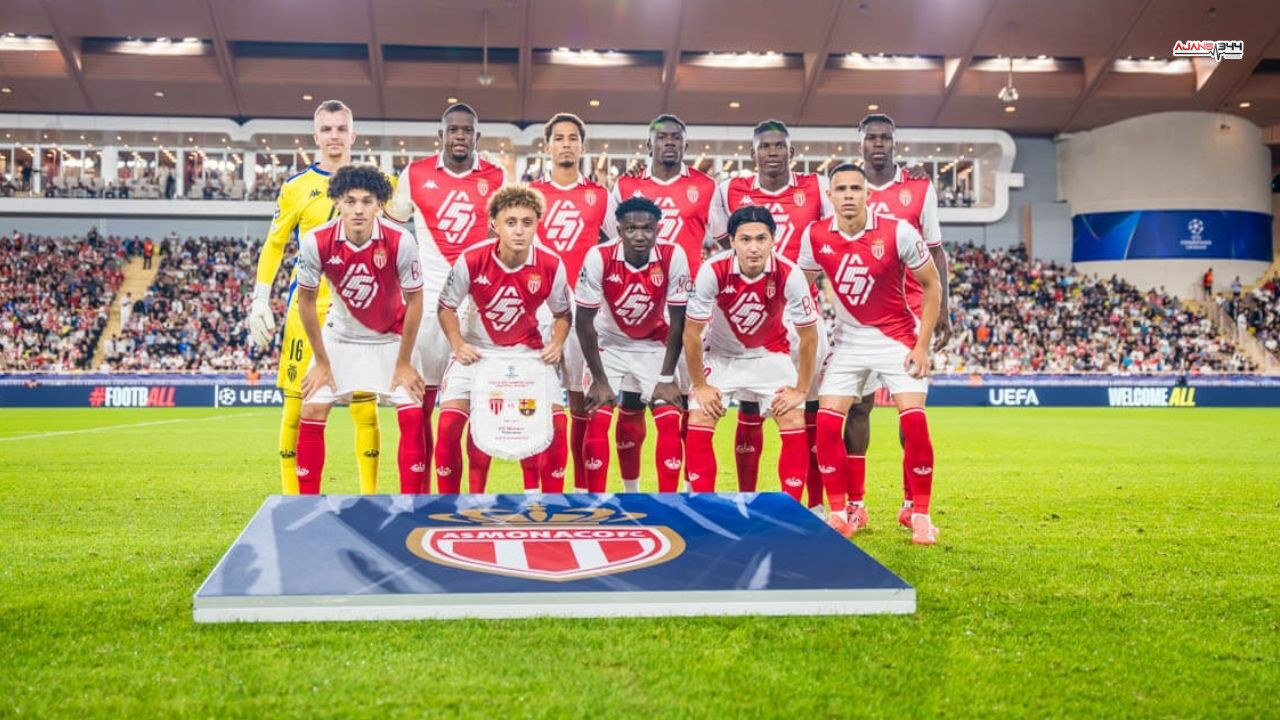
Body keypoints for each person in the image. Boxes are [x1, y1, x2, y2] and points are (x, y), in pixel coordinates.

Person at [247, 99, 388, 494]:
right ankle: (292, 499)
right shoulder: (296, 188)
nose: (334, 136)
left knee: (365, 409)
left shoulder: (376, 185)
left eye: (341, 128)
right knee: (296, 408)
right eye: (327, 129)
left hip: (360, 311)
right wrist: (260, 298)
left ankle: (369, 497)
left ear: (353, 135)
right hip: (307, 309)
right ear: (316, 136)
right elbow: (275, 244)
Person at [798, 163, 943, 544]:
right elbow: (799, 286)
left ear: (868, 194)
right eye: (840, 189)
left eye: (855, 188)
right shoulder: (814, 235)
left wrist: (922, 345)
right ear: (829, 196)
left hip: (897, 338)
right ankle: (840, 513)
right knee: (827, 423)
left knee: (914, 421)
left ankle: (920, 515)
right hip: (848, 341)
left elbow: (932, 285)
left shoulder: (899, 231)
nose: (848, 195)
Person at [708, 119, 833, 509]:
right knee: (749, 406)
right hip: (751, 317)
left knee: (808, 406)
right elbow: (724, 243)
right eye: (765, 146)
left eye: (780, 146)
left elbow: (831, 241)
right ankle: (747, 499)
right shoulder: (730, 189)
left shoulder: (817, 188)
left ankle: (813, 506)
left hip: (801, 314)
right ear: (753, 153)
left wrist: (795, 280)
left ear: (791, 152)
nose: (773, 152)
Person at [386, 102, 507, 493]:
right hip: (425, 305)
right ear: (441, 135)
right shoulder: (415, 173)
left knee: (472, 412)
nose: (460, 136)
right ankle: (417, 500)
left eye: (467, 130)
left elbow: (508, 235)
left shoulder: (497, 176)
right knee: (417, 410)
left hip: (476, 307)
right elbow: (391, 227)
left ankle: (471, 501)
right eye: (453, 129)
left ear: (477, 136)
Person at [843, 113, 950, 528]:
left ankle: (911, 504)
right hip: (859, 315)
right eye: (871, 138)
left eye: (885, 138)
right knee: (858, 407)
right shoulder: (847, 188)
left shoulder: (919, 189)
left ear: (894, 143)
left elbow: (936, 250)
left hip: (910, 315)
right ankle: (856, 504)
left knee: (911, 408)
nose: (878, 144)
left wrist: (943, 309)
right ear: (860, 144)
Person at [293, 165, 428, 495]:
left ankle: (411, 506)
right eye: (350, 201)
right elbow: (306, 302)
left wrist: (404, 362)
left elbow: (415, 301)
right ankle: (306, 503)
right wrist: (322, 362)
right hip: (340, 336)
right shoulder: (315, 241)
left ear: (379, 204)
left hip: (391, 338)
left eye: (367, 201)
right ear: (337, 201)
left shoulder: (401, 241)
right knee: (311, 407)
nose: (358, 209)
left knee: (413, 413)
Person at [434, 185, 571, 493]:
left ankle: (550, 503)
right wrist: (458, 344)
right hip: (477, 353)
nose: (519, 230)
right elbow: (445, 307)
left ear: (537, 224)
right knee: (449, 424)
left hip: (527, 355)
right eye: (511, 222)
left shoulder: (551, 264)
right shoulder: (472, 259)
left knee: (557, 425)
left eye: (527, 222)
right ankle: (453, 503)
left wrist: (557, 343)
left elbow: (563, 313)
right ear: (494, 224)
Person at [603, 114, 716, 487]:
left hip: (690, 308)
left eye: (676, 137)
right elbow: (612, 240)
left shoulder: (706, 187)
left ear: (685, 144)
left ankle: (686, 489)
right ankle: (632, 491)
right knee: (631, 402)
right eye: (662, 137)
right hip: (638, 305)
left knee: (685, 400)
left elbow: (726, 238)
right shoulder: (627, 185)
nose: (669, 142)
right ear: (648, 144)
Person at [682, 205, 820, 498]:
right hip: (722, 356)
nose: (754, 248)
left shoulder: (790, 273)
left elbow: (809, 336)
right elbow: (691, 334)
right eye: (745, 239)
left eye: (761, 239)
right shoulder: (712, 270)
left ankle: (790, 508)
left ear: (773, 240)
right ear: (732, 241)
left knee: (793, 417)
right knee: (700, 416)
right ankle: (705, 505)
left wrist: (801, 389)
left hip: (770, 356)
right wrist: (701, 386)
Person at [576, 197, 691, 493]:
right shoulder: (599, 256)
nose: (639, 236)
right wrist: (600, 379)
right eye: (631, 229)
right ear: (619, 230)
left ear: (657, 229)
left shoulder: (673, 254)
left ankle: (668, 504)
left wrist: (667, 377)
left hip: (654, 345)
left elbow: (679, 321)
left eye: (647, 229)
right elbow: (583, 322)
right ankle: (598, 503)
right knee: (597, 415)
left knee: (669, 418)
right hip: (609, 345)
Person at [530, 112, 609, 493]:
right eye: (558, 137)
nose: (565, 144)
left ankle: (579, 490)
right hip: (538, 308)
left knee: (581, 401)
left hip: (585, 309)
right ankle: (536, 491)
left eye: (572, 138)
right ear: (547, 146)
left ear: (582, 146)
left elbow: (616, 247)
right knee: (540, 401)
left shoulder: (600, 196)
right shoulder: (530, 194)